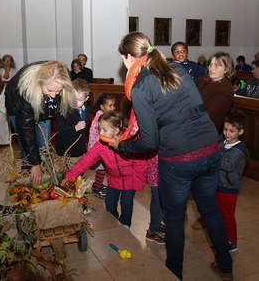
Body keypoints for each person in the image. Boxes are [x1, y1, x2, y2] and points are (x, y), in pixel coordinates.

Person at [117, 32, 233, 280]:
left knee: (174, 216)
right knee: (210, 209)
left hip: (180, 159)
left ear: (128, 58)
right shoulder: (177, 70)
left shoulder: (141, 87)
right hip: (211, 148)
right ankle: (225, 264)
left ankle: (174, 271)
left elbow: (149, 141)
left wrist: (124, 147)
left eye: (123, 60)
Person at [65, 111, 147, 228]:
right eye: (100, 130)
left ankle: (125, 224)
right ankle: (113, 221)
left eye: (104, 130)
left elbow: (140, 163)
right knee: (110, 203)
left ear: (116, 130)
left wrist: (138, 182)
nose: (100, 133)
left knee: (127, 203)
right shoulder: (100, 145)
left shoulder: (129, 143)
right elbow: (86, 161)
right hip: (114, 180)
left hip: (131, 180)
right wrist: (70, 175)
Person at [5, 61, 75, 184]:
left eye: (58, 92)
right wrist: (35, 163)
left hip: (41, 105)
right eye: (50, 90)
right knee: (25, 144)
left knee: (45, 146)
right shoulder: (25, 91)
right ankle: (28, 171)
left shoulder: (60, 79)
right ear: (40, 83)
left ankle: (47, 172)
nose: (54, 96)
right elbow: (26, 130)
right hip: (17, 109)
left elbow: (61, 111)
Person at [217, 111, 248, 254]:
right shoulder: (223, 143)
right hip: (219, 185)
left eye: (231, 131)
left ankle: (232, 241)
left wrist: (217, 151)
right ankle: (223, 238)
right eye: (225, 130)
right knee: (219, 214)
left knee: (227, 215)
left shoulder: (239, 150)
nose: (227, 134)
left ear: (240, 132)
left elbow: (227, 164)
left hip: (229, 188)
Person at [55, 78, 90, 164]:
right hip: (67, 150)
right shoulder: (63, 110)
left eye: (79, 100)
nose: (75, 102)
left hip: (80, 147)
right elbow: (59, 132)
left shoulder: (86, 109)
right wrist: (75, 128)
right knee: (68, 174)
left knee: (79, 172)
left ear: (86, 98)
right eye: (73, 98)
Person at [198, 52, 234, 134]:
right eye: (211, 65)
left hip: (205, 130)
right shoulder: (203, 80)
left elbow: (209, 114)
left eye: (217, 65)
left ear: (226, 69)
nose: (212, 68)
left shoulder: (225, 88)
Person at [88, 93, 116, 199]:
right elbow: (98, 135)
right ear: (102, 107)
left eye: (114, 105)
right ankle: (97, 188)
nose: (112, 108)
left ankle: (98, 185)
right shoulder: (100, 117)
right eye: (110, 105)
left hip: (102, 147)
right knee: (101, 168)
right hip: (97, 148)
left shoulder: (106, 115)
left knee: (103, 168)